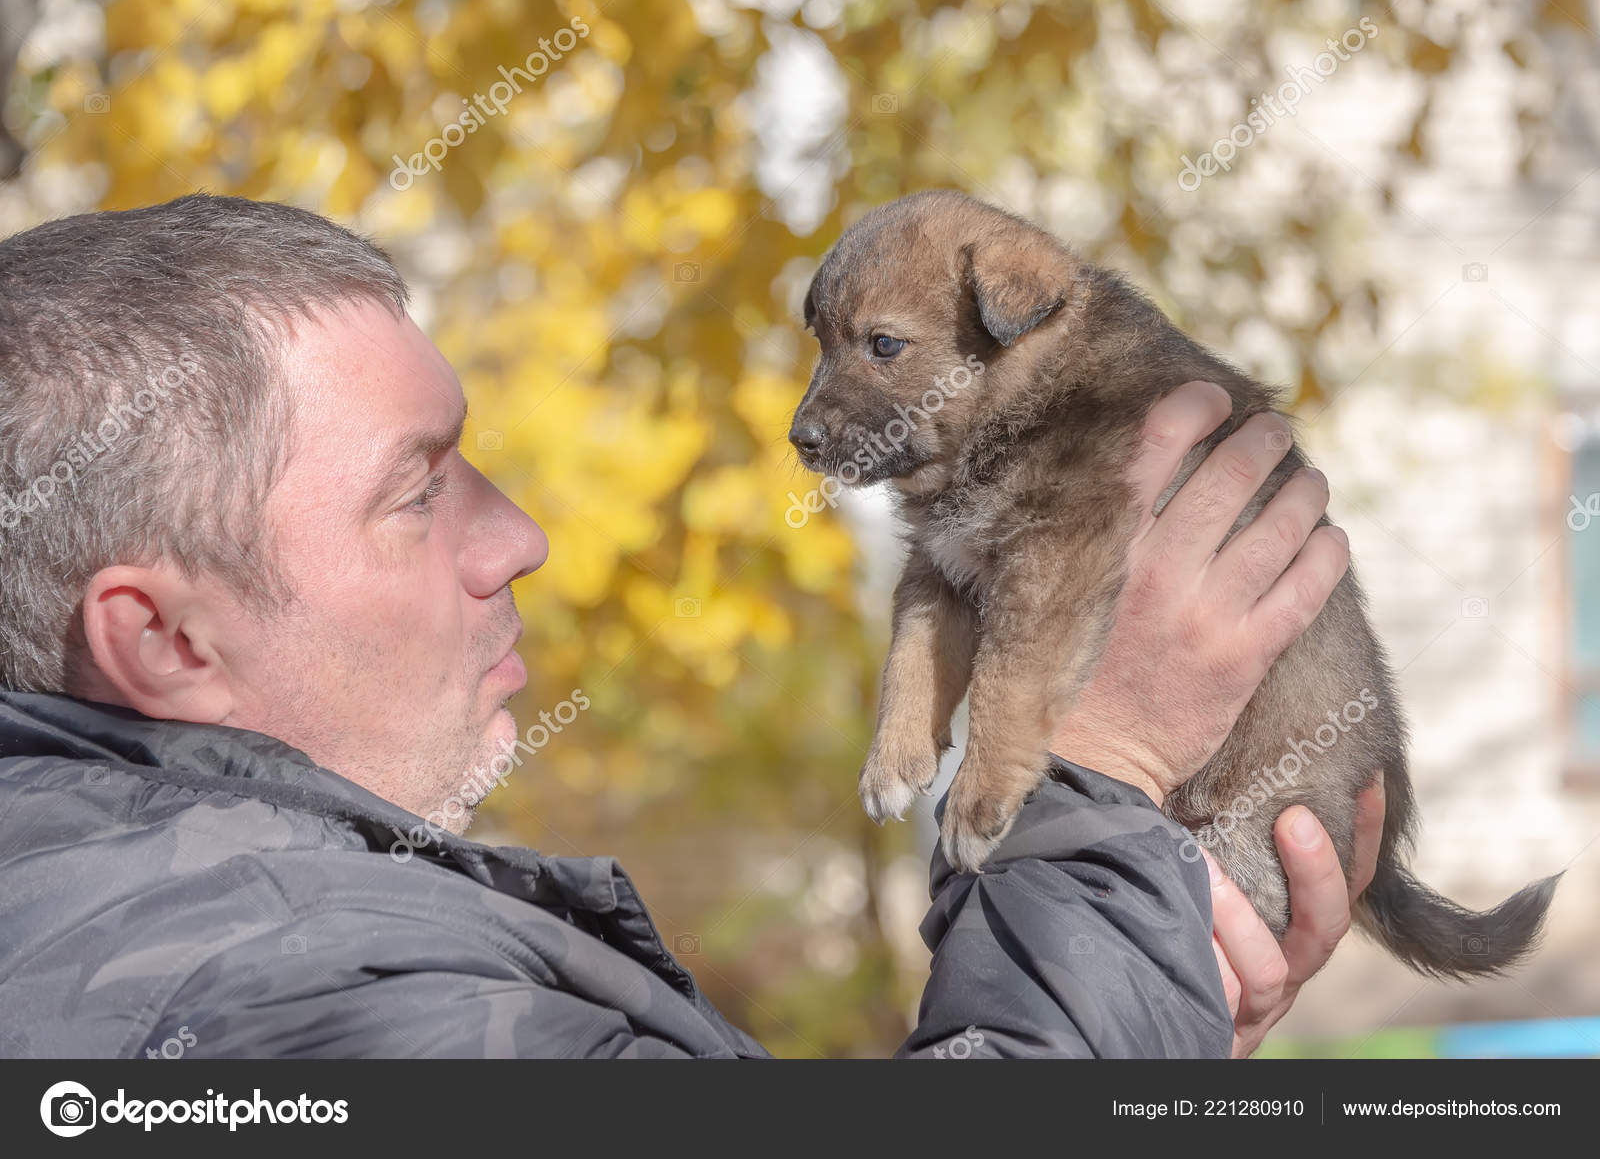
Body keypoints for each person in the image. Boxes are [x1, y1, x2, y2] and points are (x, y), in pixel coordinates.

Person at [0, 195, 1380, 1059]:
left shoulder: (153, 917)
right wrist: (1105, 783)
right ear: (165, 642)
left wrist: (1140, 1002)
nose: (520, 537)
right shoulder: (308, 999)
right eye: (417, 493)